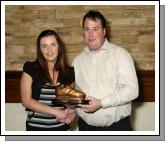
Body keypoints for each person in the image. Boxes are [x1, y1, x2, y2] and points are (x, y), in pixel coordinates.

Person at [72, 10, 139, 131]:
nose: (90, 34)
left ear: (104, 31)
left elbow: (132, 90)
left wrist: (101, 103)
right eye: (87, 29)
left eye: (95, 29)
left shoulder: (120, 54)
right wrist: (70, 107)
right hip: (85, 128)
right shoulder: (77, 61)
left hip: (117, 128)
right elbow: (75, 94)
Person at [20, 29, 76, 131]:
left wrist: (71, 109)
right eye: (44, 46)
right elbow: (26, 101)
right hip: (36, 130)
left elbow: (70, 102)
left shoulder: (70, 72)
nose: (49, 49)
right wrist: (56, 112)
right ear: (40, 49)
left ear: (59, 47)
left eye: (53, 44)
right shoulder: (31, 68)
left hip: (62, 129)